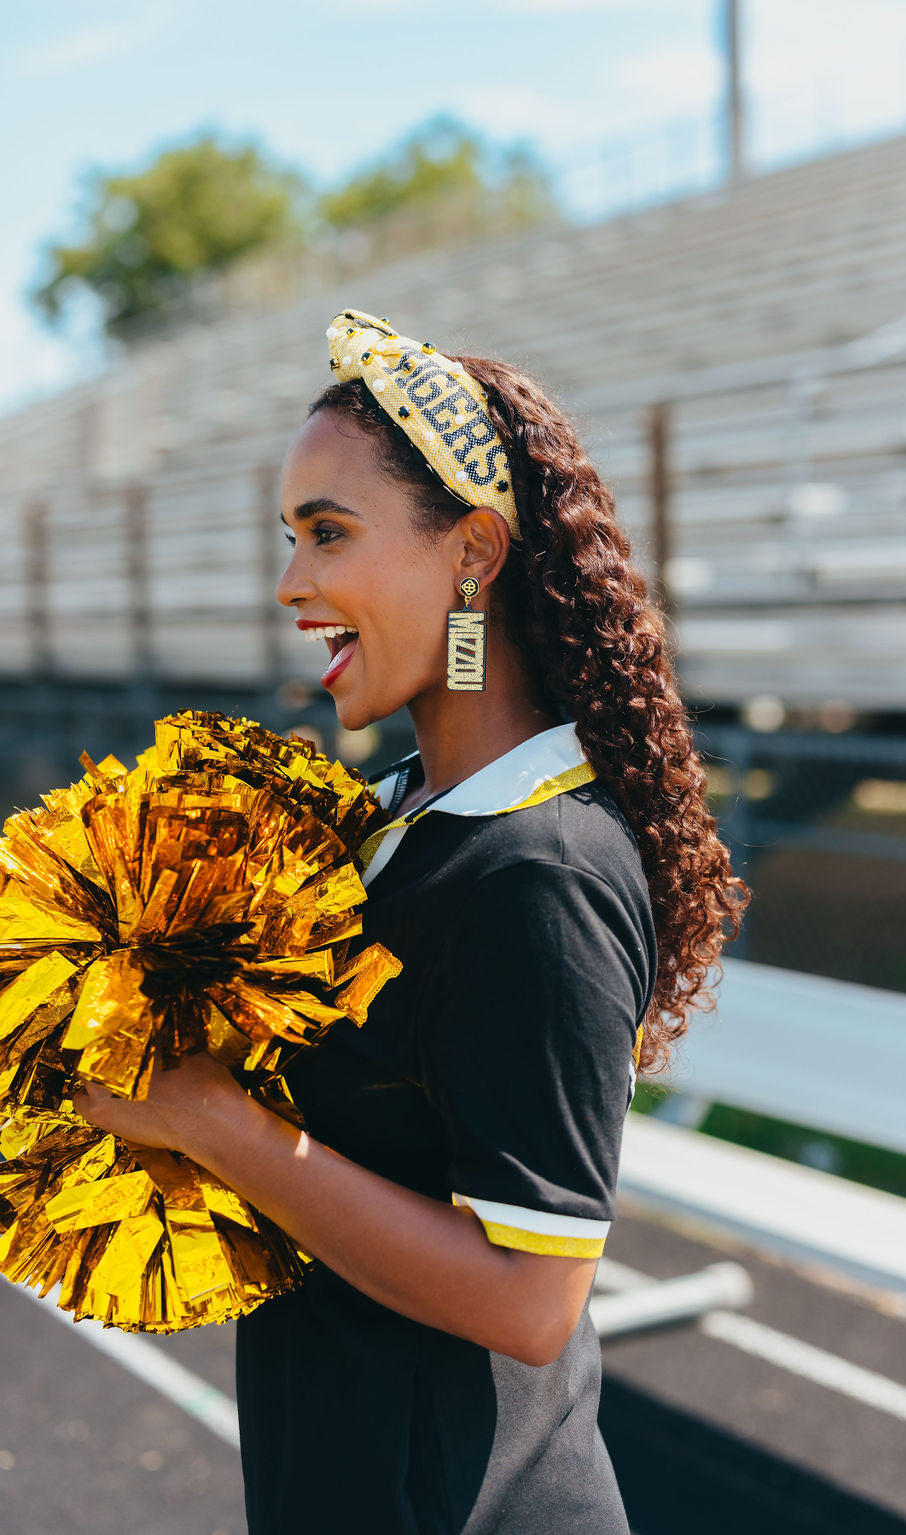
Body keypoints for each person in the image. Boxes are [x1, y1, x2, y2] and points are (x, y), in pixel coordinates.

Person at [76, 309, 749, 1533]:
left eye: (329, 533)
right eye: (290, 537)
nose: (293, 583)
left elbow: (530, 1299)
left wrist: (216, 1120)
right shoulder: (388, 818)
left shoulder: (536, 864)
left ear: (473, 555)